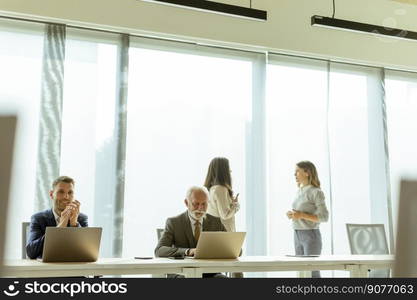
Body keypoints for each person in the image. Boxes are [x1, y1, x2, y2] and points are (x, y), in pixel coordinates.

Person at [155, 186, 227, 278]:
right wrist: (187, 252)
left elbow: (236, 250)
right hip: (180, 272)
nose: (200, 208)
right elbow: (159, 250)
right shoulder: (174, 222)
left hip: (209, 272)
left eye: (204, 204)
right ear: (186, 202)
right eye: (196, 204)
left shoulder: (215, 222)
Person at [26, 176, 88, 259]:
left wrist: (74, 224)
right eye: (61, 192)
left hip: (73, 269)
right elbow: (31, 252)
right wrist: (59, 228)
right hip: (48, 269)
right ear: (52, 194)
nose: (66, 196)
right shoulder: (38, 218)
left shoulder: (81, 218)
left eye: (70, 192)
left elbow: (87, 253)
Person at [286, 161, 329, 278]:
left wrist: (301, 215)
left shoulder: (316, 192)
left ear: (307, 173)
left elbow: (324, 217)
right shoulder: (299, 191)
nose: (294, 175)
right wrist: (293, 215)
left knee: (312, 272)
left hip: (310, 235)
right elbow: (301, 213)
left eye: (297, 172)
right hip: (297, 234)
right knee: (301, 272)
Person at [204, 157, 239, 232]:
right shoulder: (220, 189)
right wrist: (236, 205)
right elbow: (225, 215)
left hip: (217, 233)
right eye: (228, 168)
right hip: (224, 234)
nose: (230, 171)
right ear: (223, 171)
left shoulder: (213, 189)